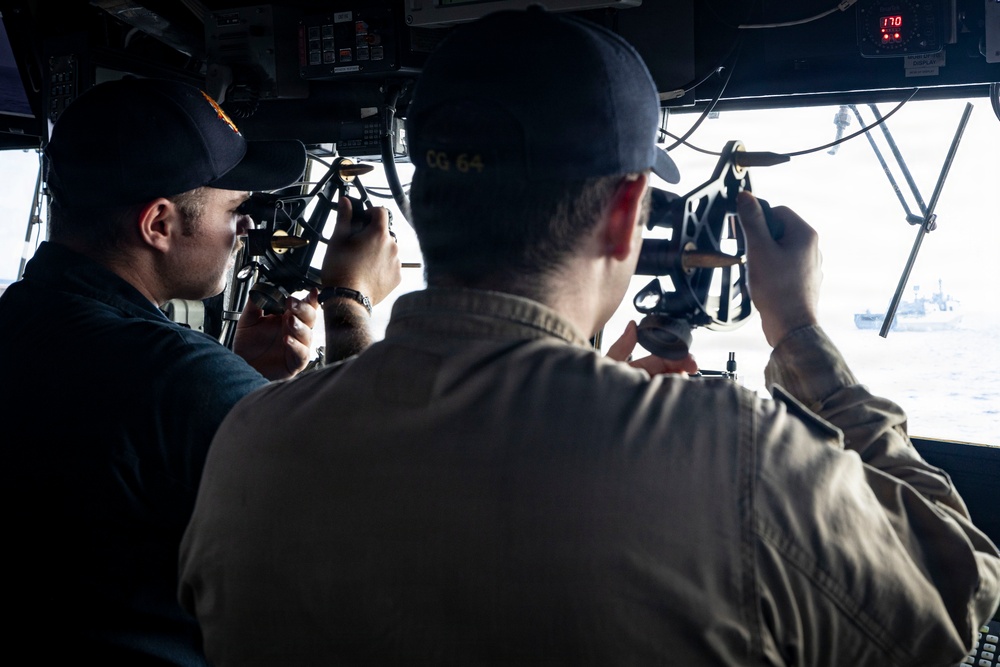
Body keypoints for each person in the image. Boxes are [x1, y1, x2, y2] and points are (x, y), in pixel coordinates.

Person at [177, 8, 1000, 666]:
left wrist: (586, 385)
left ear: (424, 204)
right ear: (626, 211)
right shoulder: (736, 460)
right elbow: (958, 591)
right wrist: (799, 329)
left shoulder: (250, 443)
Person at [0, 77, 400, 664]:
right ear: (158, 225)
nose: (246, 228)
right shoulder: (177, 378)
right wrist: (349, 301)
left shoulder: (24, 321)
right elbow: (384, 513)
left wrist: (245, 384)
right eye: (235, 208)